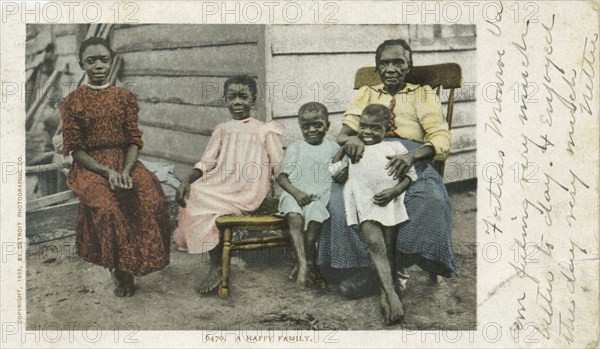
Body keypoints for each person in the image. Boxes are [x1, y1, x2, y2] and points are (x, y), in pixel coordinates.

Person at [318, 39, 458, 298]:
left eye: (398, 62)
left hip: (409, 160)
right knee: (338, 201)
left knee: (428, 200)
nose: (391, 68)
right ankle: (372, 269)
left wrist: (412, 156)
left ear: (409, 66)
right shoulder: (367, 93)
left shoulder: (423, 94)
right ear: (377, 67)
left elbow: (440, 139)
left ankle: (386, 270)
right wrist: (356, 139)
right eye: (384, 63)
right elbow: (343, 134)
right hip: (365, 160)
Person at [60, 37, 170, 297]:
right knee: (109, 208)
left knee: (150, 197)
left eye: (104, 59)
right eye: (91, 60)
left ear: (111, 62)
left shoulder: (125, 97)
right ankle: (119, 270)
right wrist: (106, 172)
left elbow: (133, 140)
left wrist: (126, 169)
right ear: (82, 64)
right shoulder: (72, 102)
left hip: (125, 161)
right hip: (90, 166)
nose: (98, 65)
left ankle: (137, 262)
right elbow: (75, 149)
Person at [174, 75, 286, 294]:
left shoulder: (265, 130)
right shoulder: (222, 129)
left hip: (249, 188)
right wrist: (187, 180)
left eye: (243, 97)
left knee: (211, 205)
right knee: (195, 193)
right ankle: (216, 266)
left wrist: (284, 192)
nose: (237, 102)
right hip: (224, 182)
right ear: (225, 99)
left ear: (253, 99)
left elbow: (278, 164)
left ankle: (217, 265)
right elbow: (207, 161)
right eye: (232, 97)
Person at [334, 104, 417, 323]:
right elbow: (333, 170)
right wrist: (343, 149)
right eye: (363, 127)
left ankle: (384, 291)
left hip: (389, 204)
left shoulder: (396, 147)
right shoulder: (354, 146)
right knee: (375, 245)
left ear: (387, 129)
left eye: (375, 128)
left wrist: (394, 191)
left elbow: (410, 176)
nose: (367, 132)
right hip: (364, 204)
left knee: (388, 249)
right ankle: (390, 296)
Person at [276, 102, 343, 289]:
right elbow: (282, 178)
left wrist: (342, 162)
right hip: (294, 193)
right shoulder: (296, 147)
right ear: (300, 126)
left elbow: (336, 172)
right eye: (306, 126)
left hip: (318, 196)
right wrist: (297, 193)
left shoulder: (333, 148)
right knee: (295, 217)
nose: (312, 130)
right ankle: (304, 263)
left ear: (327, 125)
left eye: (318, 125)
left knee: (315, 218)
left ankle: (306, 262)